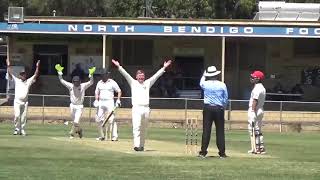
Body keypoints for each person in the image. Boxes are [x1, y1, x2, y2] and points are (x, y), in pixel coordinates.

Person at [111, 59, 172, 151]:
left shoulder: (147, 83)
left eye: (142, 76)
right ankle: (136, 145)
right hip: (136, 108)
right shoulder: (133, 82)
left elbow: (156, 76)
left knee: (144, 128)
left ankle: (141, 146)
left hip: (146, 109)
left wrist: (164, 67)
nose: (141, 78)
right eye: (139, 76)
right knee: (136, 127)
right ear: (136, 77)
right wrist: (119, 66)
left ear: (144, 77)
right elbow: (125, 74)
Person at [55, 64, 95, 139]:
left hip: (79, 106)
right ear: (73, 81)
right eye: (74, 81)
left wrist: (91, 74)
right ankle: (79, 131)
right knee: (74, 122)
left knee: (76, 121)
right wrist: (59, 72)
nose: (76, 83)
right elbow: (61, 80)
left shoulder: (83, 86)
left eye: (77, 81)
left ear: (80, 81)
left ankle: (72, 133)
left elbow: (91, 82)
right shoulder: (70, 86)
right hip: (72, 106)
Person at [198, 66, 228, 158]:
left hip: (208, 108)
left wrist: (203, 75)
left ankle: (203, 152)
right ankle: (222, 153)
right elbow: (225, 98)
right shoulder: (222, 85)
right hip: (219, 108)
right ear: (216, 74)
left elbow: (201, 82)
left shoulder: (205, 84)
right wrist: (223, 107)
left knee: (206, 130)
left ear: (208, 75)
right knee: (220, 131)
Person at [6, 58, 40, 136]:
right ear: (19, 76)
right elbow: (10, 73)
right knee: (17, 115)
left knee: (24, 117)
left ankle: (23, 130)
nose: (23, 76)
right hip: (17, 102)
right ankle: (16, 129)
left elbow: (35, 75)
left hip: (25, 102)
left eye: (24, 75)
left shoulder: (28, 81)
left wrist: (37, 66)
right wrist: (8, 64)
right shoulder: (17, 80)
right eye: (21, 75)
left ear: (25, 76)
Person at [94, 70, 122, 141]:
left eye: (105, 75)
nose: (103, 76)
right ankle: (101, 136)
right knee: (98, 119)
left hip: (110, 102)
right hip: (101, 102)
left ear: (107, 75)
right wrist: (96, 100)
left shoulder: (112, 82)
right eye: (102, 75)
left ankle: (114, 136)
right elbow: (97, 92)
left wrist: (118, 100)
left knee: (111, 119)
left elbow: (119, 91)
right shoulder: (99, 83)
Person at [248, 70, 266, 154]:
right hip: (260, 109)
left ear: (258, 79)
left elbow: (255, 100)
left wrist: (252, 110)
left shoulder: (257, 88)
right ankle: (260, 148)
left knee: (252, 129)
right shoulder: (262, 87)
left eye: (253, 77)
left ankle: (256, 148)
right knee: (258, 129)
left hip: (255, 110)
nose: (251, 78)